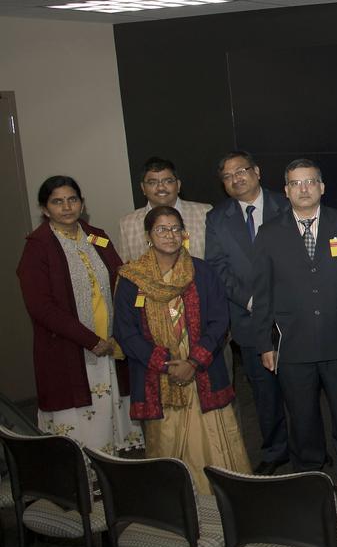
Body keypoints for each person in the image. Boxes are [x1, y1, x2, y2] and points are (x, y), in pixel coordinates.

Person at [114, 206, 251, 494]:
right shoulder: (132, 278)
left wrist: (193, 361)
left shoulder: (201, 271)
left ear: (184, 234)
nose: (170, 235)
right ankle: (176, 501)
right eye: (162, 229)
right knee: (166, 443)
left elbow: (219, 320)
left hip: (202, 369)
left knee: (214, 443)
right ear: (148, 235)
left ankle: (223, 499)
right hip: (157, 375)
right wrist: (165, 364)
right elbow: (125, 331)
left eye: (176, 228)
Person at [250, 159, 337, 485]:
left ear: (322, 187)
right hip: (294, 342)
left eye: (310, 182)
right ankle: (309, 477)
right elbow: (262, 294)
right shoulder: (269, 233)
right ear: (286, 191)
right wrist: (264, 343)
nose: (304, 189)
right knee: (302, 418)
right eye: (296, 183)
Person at [17, 175, 142, 455]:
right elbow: (41, 307)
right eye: (57, 201)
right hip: (69, 347)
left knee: (114, 410)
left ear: (82, 203)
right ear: (45, 209)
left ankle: (116, 469)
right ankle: (86, 474)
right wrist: (89, 340)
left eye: (72, 199)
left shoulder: (96, 235)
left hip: (110, 344)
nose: (66, 207)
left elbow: (121, 280)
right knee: (80, 418)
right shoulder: (38, 247)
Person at [205, 150, 293, 474]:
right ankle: (274, 451)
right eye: (227, 176)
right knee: (263, 391)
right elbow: (217, 267)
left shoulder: (286, 205)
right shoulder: (217, 219)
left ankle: (308, 449)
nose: (235, 179)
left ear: (256, 171)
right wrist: (253, 300)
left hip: (291, 314)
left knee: (300, 387)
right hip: (248, 317)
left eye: (241, 171)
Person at [117, 156, 212, 262]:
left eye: (168, 181)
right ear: (143, 188)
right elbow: (125, 269)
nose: (161, 187)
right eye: (152, 182)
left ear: (179, 185)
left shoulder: (204, 213)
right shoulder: (127, 224)